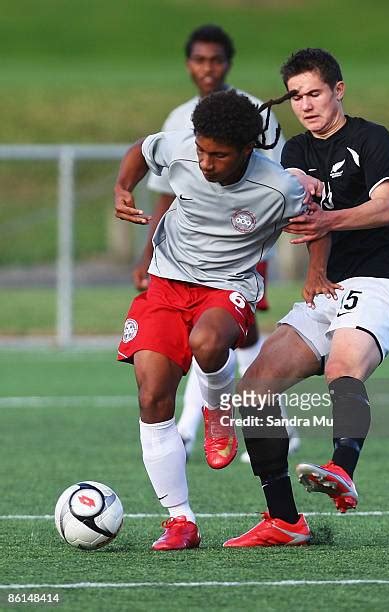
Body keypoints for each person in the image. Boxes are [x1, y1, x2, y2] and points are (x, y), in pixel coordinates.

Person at [114, 89, 336, 550]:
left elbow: (316, 222)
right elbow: (140, 149)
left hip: (228, 286)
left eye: (220, 155)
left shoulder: (278, 186)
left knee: (207, 343)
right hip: (166, 282)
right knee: (153, 395)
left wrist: (316, 272)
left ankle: (217, 410)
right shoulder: (181, 150)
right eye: (202, 151)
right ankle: (180, 520)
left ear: (248, 151)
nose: (207, 163)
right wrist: (123, 187)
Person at [224, 48, 389, 548]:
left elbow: (386, 208)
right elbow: (305, 220)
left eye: (314, 93)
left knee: (341, 368)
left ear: (338, 90)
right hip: (329, 286)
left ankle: (342, 468)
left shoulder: (370, 138)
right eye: (296, 97)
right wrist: (315, 270)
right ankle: (284, 519)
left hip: (380, 281)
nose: (305, 105)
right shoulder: (295, 154)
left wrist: (328, 217)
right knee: (255, 386)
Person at [132, 24, 300, 461]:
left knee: (227, 337)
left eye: (216, 59)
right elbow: (169, 193)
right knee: (209, 340)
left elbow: (277, 184)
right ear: (189, 64)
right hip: (186, 254)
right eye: (200, 59)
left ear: (228, 63)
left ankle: (257, 419)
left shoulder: (256, 113)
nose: (208, 68)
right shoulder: (178, 120)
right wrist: (148, 252)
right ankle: (200, 423)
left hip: (243, 246)